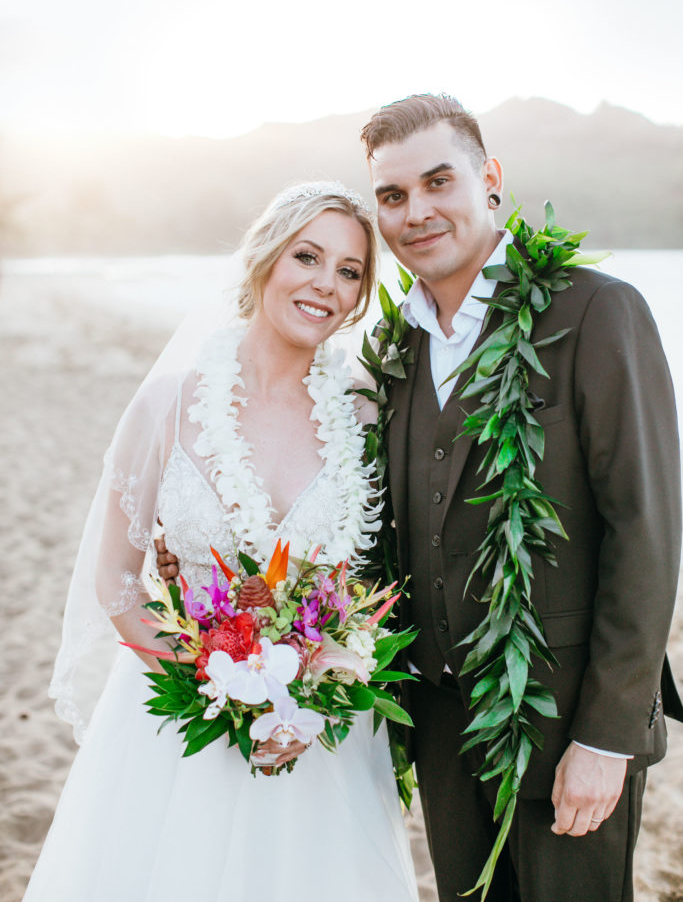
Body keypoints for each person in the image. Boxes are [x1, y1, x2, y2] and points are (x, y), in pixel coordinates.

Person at [24, 181, 419, 902]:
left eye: (349, 271)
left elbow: (370, 582)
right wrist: (213, 683)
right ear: (265, 258)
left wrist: (310, 702)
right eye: (307, 256)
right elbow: (115, 578)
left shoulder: (363, 415)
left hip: (316, 734)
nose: (325, 285)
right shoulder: (169, 403)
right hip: (181, 721)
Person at [357, 93, 683, 902]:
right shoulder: (395, 347)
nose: (416, 212)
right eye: (393, 196)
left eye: (439, 182)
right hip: (437, 722)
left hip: (562, 722)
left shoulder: (596, 310)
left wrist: (605, 740)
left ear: (490, 179)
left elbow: (646, 529)